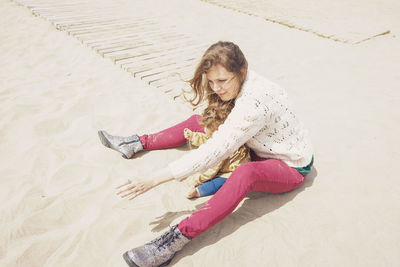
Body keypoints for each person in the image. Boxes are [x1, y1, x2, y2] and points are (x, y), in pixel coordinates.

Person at [98, 41, 314, 267]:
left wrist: (153, 179)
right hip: (260, 144)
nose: (216, 88)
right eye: (210, 81)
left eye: (222, 81)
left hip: (289, 164)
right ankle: (135, 143)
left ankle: (175, 239)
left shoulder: (254, 102)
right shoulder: (245, 82)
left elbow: (214, 151)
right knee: (200, 122)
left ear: (241, 72)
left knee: (245, 173)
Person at [183, 101, 251, 199]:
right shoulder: (222, 135)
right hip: (223, 165)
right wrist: (193, 136)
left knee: (221, 182)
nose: (205, 131)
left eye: (209, 131)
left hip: (232, 170)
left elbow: (212, 170)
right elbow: (207, 139)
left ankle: (198, 192)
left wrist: (196, 180)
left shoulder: (224, 147)